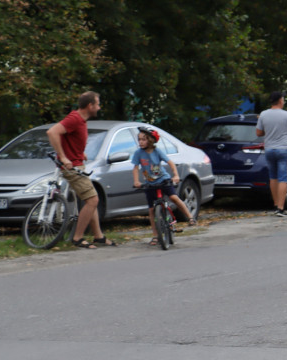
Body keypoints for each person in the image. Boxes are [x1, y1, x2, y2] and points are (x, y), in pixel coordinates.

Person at [46, 91, 116, 249]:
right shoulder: (75, 118)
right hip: (72, 168)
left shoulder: (81, 120)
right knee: (93, 200)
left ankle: (98, 236)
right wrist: (63, 157)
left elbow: (69, 138)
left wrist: (79, 152)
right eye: (97, 104)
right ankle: (77, 238)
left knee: (90, 199)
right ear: (90, 105)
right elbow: (52, 132)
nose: (99, 107)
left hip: (78, 164)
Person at [130, 126, 197, 245]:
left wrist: (175, 175)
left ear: (150, 140)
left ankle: (190, 217)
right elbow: (135, 168)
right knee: (151, 210)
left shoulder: (157, 151)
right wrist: (136, 181)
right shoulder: (138, 153)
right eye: (139, 139)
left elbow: (170, 163)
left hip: (163, 180)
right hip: (150, 184)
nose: (140, 142)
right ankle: (155, 235)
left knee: (173, 198)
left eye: (143, 139)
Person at [256, 91, 287, 217]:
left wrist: (269, 131)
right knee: (283, 178)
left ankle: (275, 205)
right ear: (280, 100)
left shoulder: (263, 114)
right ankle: (281, 208)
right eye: (283, 99)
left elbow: (258, 133)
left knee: (273, 178)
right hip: (283, 150)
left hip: (269, 149)